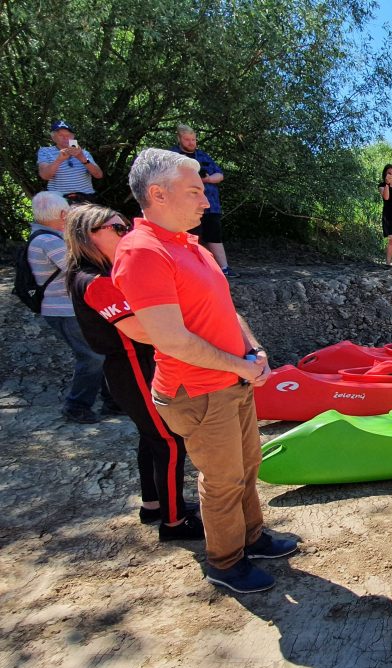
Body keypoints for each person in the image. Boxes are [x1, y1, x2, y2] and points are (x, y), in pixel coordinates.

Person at [113, 148, 296, 593]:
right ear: (157, 194)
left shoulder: (189, 244)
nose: (205, 201)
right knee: (223, 479)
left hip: (231, 381)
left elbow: (225, 309)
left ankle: (252, 538)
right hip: (195, 390)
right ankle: (225, 562)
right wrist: (240, 365)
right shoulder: (142, 252)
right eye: (194, 191)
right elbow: (171, 338)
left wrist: (255, 351)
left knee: (249, 465)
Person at [63, 204, 203, 541]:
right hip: (133, 367)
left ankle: (154, 504)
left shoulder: (104, 274)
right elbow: (142, 330)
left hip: (133, 366)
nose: (127, 233)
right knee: (169, 441)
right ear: (89, 235)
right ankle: (174, 522)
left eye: (126, 226)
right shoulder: (95, 281)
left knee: (151, 436)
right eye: (117, 228)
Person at [27, 191, 117, 423]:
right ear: (62, 213)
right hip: (63, 310)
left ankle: (113, 401)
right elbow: (76, 268)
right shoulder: (48, 240)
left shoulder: (46, 237)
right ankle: (76, 405)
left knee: (101, 352)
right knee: (92, 356)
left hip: (67, 309)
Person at [170, 124, 237, 278]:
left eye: (193, 139)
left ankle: (224, 269)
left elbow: (219, 175)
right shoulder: (172, 156)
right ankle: (191, 270)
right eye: (187, 139)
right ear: (179, 138)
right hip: (185, 206)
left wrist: (206, 179)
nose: (191, 143)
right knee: (190, 237)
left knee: (214, 236)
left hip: (210, 205)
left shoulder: (204, 156)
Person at [37, 120, 104, 203]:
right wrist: (58, 160)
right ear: (53, 137)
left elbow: (99, 175)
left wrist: (82, 158)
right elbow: (44, 176)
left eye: (68, 135)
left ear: (73, 137)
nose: (65, 138)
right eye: (61, 135)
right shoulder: (45, 151)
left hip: (86, 198)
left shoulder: (84, 153)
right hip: (59, 200)